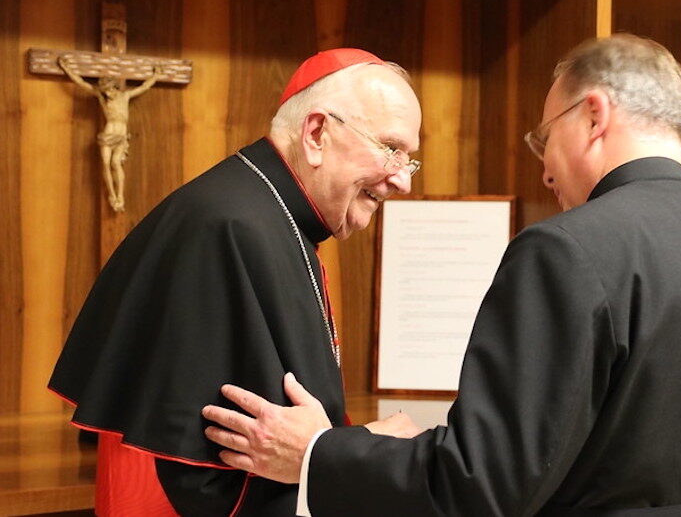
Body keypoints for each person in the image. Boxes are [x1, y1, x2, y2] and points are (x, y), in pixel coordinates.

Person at [202, 34, 681, 516]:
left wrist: (317, 453)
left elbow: (481, 483)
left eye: (544, 137)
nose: (545, 169)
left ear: (593, 115)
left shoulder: (566, 250)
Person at [49, 48, 423, 516]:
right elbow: (221, 477)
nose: (402, 180)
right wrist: (365, 451)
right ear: (316, 133)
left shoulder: (267, 218)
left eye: (410, 159)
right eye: (391, 149)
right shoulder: (230, 229)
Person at [58, 55, 163, 211]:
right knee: (106, 164)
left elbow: (143, 87)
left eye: (108, 90)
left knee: (115, 163)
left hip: (120, 133)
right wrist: (67, 68)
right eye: (104, 91)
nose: (107, 94)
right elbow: (81, 83)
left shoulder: (125, 96)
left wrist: (156, 75)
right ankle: (112, 195)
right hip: (108, 132)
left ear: (114, 87)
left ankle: (120, 195)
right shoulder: (102, 98)